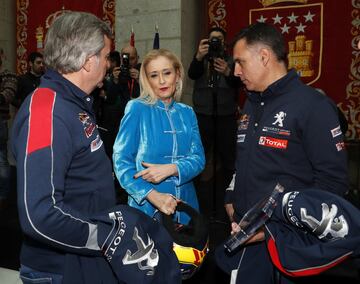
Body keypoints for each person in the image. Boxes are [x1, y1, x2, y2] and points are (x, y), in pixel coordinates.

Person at [216, 22, 348, 284]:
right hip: (244, 238)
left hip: (289, 245)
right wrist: (231, 198)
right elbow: (243, 162)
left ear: (264, 56)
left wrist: (272, 229)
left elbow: (333, 184)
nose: (236, 71)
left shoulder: (314, 106)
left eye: (240, 62)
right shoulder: (251, 104)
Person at [10, 12, 117, 283]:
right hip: (58, 270)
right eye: (105, 56)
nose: (108, 64)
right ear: (87, 60)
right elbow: (39, 215)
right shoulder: (47, 111)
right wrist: (107, 237)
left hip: (81, 258)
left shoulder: (72, 102)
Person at [113, 48, 205, 224]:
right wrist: (151, 195)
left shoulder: (187, 112)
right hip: (147, 211)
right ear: (146, 80)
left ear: (177, 74)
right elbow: (121, 162)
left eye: (167, 73)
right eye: (154, 75)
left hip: (186, 208)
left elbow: (199, 159)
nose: (162, 81)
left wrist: (171, 168)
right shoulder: (136, 108)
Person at [188, 27, 241, 219]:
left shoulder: (231, 61)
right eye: (212, 40)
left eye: (218, 40)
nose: (214, 43)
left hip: (226, 116)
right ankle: (197, 202)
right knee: (198, 159)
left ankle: (227, 201)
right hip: (203, 115)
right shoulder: (201, 59)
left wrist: (228, 72)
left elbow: (239, 84)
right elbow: (192, 75)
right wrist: (198, 57)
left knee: (228, 162)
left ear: (225, 43)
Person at [0, 47, 17, 211]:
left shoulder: (8, 75)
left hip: (1, 123)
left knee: (2, 160)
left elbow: (6, 97)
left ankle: (3, 197)